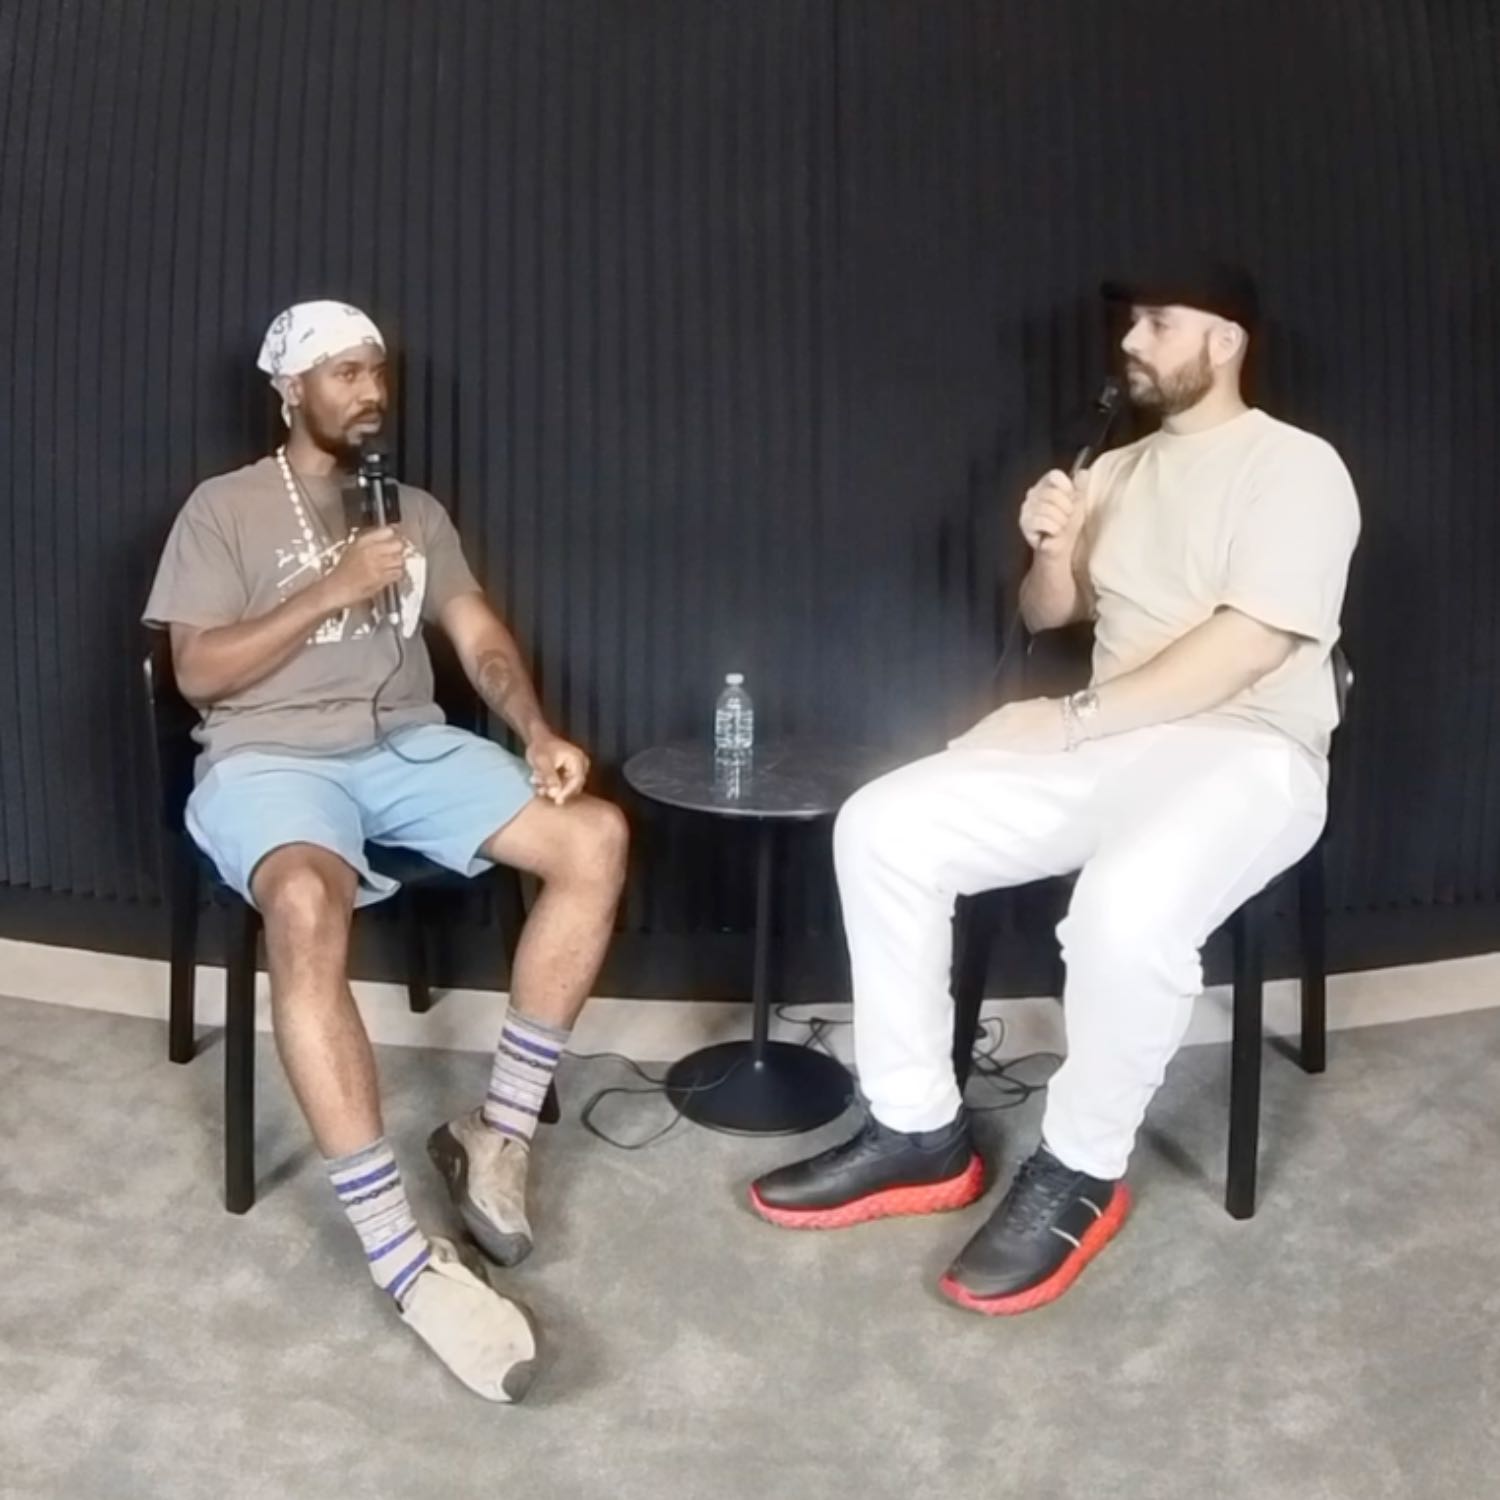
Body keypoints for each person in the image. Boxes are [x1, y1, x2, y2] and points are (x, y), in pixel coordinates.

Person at [750, 259, 1360, 1315]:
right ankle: (917, 1133)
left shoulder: (1295, 466)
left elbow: (1251, 645)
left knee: (1122, 915)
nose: (1130, 341)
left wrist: (1068, 718)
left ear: (1224, 341)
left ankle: (1081, 1169)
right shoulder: (1114, 470)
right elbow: (1047, 618)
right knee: (884, 825)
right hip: (1118, 743)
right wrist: (1055, 551)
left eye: (1158, 323)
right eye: (1130, 323)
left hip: (1254, 752)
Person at [144, 301, 629, 1398]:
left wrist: (535, 728)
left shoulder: (413, 509)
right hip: (270, 757)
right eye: (344, 372)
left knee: (593, 837)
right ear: (289, 390)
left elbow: (478, 633)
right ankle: (404, 1258)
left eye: (376, 370)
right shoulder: (221, 509)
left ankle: (497, 1130)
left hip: (406, 746)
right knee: (304, 906)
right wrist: (333, 587)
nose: (370, 389)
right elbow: (197, 673)